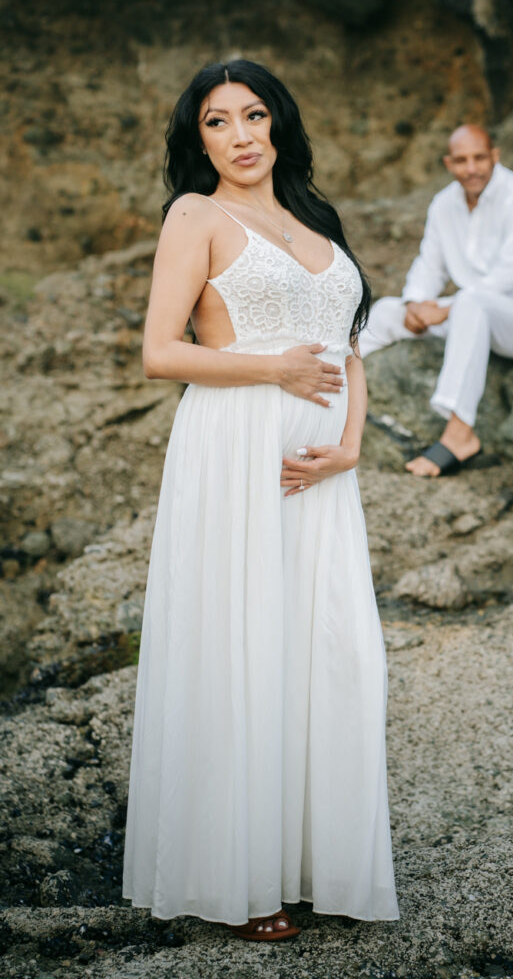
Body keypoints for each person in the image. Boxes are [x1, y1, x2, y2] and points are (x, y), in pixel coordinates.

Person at [122, 60, 399, 940]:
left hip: (319, 472)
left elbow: (349, 346)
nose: (239, 136)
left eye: (253, 115)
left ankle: (317, 858)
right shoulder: (195, 216)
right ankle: (237, 878)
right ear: (196, 137)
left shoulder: (316, 218)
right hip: (235, 453)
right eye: (216, 121)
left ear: (278, 124)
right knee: (240, 650)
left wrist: (351, 446)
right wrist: (272, 367)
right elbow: (161, 352)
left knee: (325, 653)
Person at [358, 125, 513, 477]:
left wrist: (443, 309)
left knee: (472, 302)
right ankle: (333, 389)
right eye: (461, 160)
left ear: (495, 156)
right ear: (448, 163)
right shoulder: (444, 204)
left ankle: (460, 434)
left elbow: (509, 276)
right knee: (386, 312)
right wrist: (416, 304)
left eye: (479, 158)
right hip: (472, 317)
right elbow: (429, 265)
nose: (471, 168)